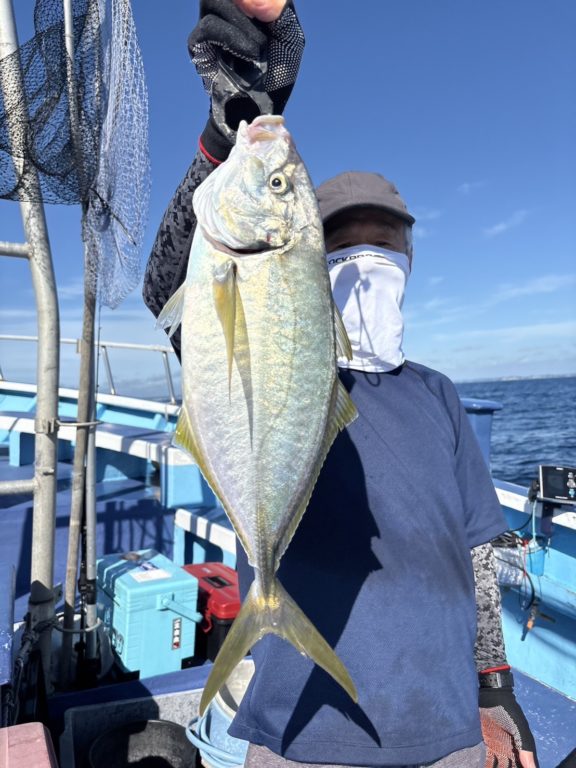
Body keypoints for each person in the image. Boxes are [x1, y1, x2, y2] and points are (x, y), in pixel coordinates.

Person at [142, 2, 538, 766]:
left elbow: (476, 554)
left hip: (449, 734)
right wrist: (229, 124)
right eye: (344, 239)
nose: (367, 256)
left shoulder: (439, 394)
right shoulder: (278, 353)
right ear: (312, 257)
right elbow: (166, 279)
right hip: (301, 738)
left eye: (384, 240)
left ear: (410, 258)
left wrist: (493, 693)